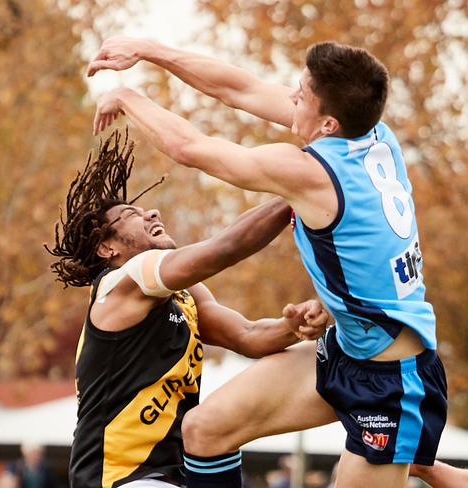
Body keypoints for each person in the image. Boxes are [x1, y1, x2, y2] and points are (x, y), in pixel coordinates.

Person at [88, 37, 447, 488]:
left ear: (328, 122)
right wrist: (148, 50)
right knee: (204, 430)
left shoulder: (309, 171)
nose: (291, 98)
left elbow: (191, 149)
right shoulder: (371, 131)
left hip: (392, 379)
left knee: (404, 471)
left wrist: (126, 96)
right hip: (347, 349)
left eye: (301, 96)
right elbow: (240, 88)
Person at [46, 130, 329, 488]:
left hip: (175, 473)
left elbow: (248, 336)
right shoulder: (121, 282)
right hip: (119, 479)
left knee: (318, 359)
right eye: (132, 214)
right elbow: (225, 248)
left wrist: (295, 325)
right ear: (107, 249)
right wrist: (300, 188)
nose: (151, 211)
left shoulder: (183, 294)